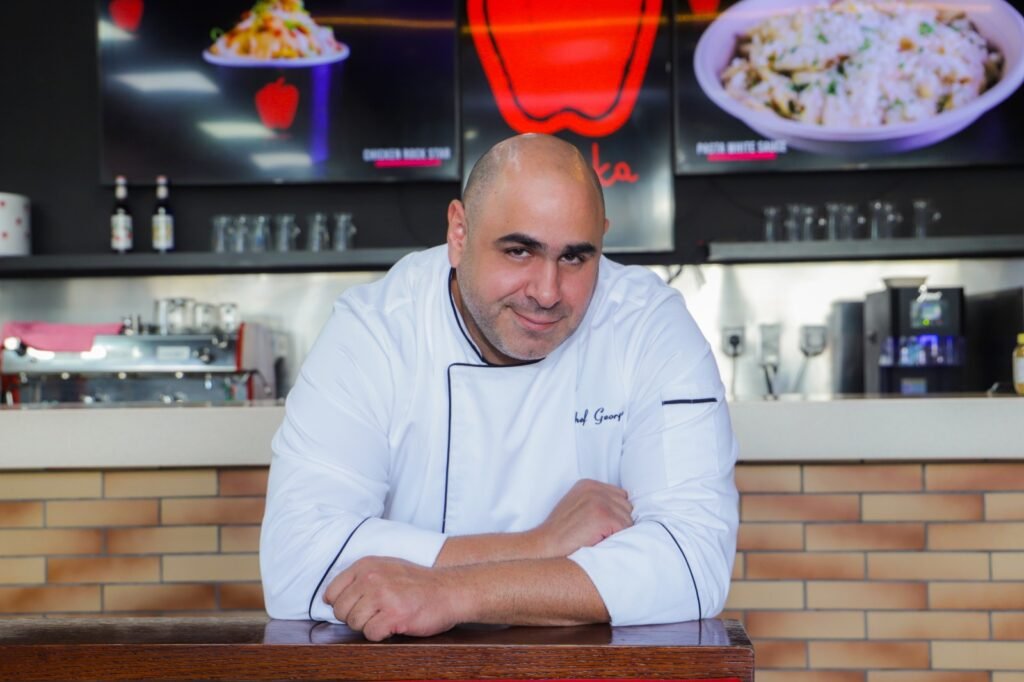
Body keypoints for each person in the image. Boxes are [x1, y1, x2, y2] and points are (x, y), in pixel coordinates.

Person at [261, 133, 739, 641]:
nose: (547, 292)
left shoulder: (649, 325)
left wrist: (450, 593)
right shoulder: (376, 330)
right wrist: (541, 545)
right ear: (459, 232)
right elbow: (297, 562)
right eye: (519, 251)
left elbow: (693, 563)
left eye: (575, 258)